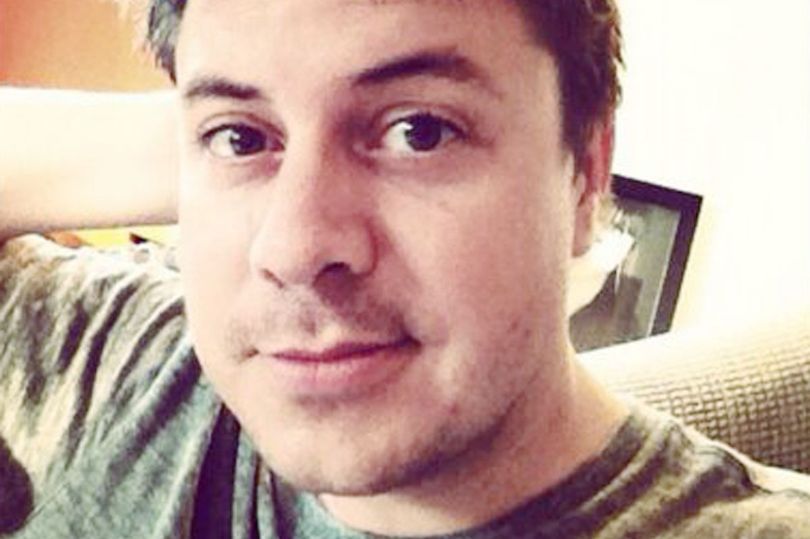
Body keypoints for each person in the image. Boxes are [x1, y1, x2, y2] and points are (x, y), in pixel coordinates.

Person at [1, 1, 809, 537]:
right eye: (242, 137)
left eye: (421, 130)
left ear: (587, 172)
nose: (294, 248)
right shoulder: (124, 360)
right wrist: (212, 125)